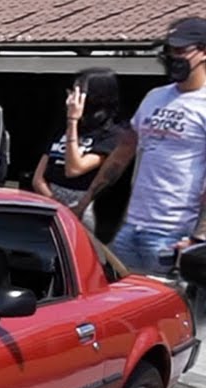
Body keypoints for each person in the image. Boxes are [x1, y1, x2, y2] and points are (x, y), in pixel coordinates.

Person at [77, 16, 206, 274]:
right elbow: (122, 153)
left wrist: (199, 238)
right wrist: (85, 201)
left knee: (169, 299)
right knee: (123, 294)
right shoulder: (155, 97)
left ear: (203, 51)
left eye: (180, 50)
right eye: (169, 50)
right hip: (132, 228)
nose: (172, 57)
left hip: (174, 233)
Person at [30, 68, 124, 231]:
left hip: (82, 206)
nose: (72, 98)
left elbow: (73, 169)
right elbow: (38, 177)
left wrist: (73, 120)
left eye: (79, 92)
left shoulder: (111, 135)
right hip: (51, 202)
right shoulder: (62, 128)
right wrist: (55, 204)